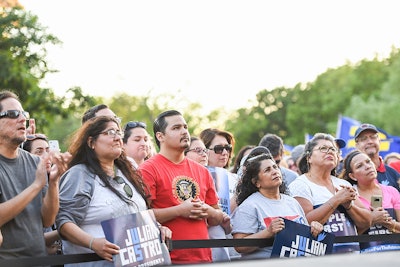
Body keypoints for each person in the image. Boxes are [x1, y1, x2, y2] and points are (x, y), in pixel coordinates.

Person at [56, 116, 171, 267]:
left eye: (119, 132)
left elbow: (135, 213)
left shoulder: (127, 171)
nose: (117, 138)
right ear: (91, 142)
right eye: (110, 132)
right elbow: (63, 222)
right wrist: (93, 243)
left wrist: (155, 228)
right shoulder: (80, 174)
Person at [139, 110, 224, 265]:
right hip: (167, 259)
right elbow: (140, 217)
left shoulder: (202, 171)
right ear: (160, 136)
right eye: (176, 128)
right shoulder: (147, 169)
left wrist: (208, 211)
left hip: (204, 258)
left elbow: (218, 217)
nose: (184, 131)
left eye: (185, 127)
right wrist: (179, 210)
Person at [0, 90, 68, 259]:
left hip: (40, 259)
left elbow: (47, 220)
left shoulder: (34, 162)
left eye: (23, 113)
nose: (22, 119)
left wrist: (53, 182)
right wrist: (36, 185)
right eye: (13, 114)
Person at [288, 133, 372, 253]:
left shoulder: (343, 184)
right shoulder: (300, 185)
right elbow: (304, 224)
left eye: (333, 149)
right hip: (320, 258)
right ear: (309, 158)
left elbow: (367, 221)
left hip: (352, 255)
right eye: (323, 148)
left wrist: (349, 206)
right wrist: (336, 200)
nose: (330, 152)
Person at [231, 153, 324, 259]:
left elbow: (303, 237)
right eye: (267, 170)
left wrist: (314, 229)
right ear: (256, 182)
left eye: (275, 167)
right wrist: (268, 232)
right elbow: (239, 245)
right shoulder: (249, 206)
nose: (274, 171)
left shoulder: (292, 202)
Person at [339, 150, 400, 252]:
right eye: (359, 166)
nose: (367, 166)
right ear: (352, 176)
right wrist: (372, 219)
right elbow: (347, 236)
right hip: (365, 257)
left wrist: (389, 223)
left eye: (368, 161)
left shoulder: (391, 191)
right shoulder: (350, 195)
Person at [185, 136, 232, 262]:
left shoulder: (215, 177)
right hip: (191, 246)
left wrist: (224, 222)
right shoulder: (181, 179)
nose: (204, 154)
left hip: (218, 245)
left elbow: (225, 226)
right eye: (198, 150)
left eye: (205, 150)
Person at [22, 133, 62, 256]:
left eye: (48, 150)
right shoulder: (24, 190)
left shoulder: (55, 181)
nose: (46, 156)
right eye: (39, 152)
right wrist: (66, 231)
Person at [354, 123, 400, 192]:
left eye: (373, 137)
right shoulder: (353, 176)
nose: (369, 141)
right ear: (357, 145)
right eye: (363, 139)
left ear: (379, 141)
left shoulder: (393, 174)